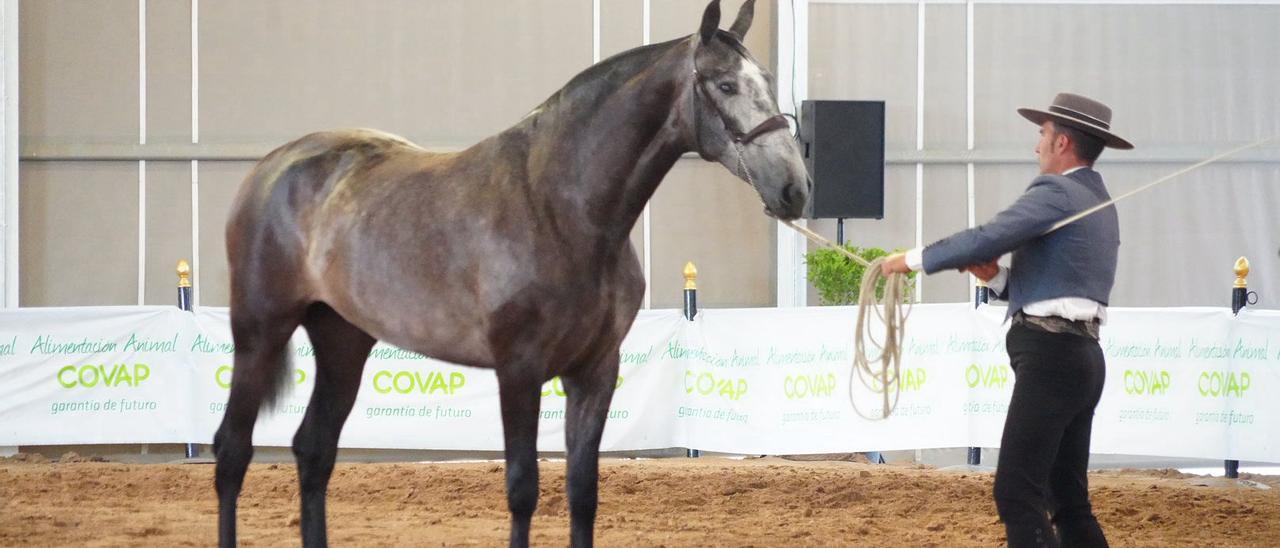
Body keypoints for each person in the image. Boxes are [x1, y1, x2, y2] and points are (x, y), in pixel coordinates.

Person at [882, 92, 1133, 547]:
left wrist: (913, 259)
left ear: (1062, 144)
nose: (1036, 145)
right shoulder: (1099, 201)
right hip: (1083, 357)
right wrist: (995, 277)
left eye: (1042, 135)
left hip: (1051, 356)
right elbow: (1059, 285)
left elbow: (990, 234)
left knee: (1016, 491)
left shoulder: (1058, 191)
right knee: (1068, 500)